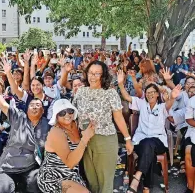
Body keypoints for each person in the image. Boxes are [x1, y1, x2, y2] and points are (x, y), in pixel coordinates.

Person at [0, 71, 48, 193]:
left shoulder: (46, 125)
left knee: (36, 187)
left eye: (38, 105)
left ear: (43, 111)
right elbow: (1, 103)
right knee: (2, 189)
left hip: (31, 168)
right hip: (8, 167)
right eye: (31, 105)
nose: (34, 106)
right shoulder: (18, 116)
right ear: (26, 109)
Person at [72, 60, 133, 193]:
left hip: (105, 139)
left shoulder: (110, 93)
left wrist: (127, 139)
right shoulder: (81, 92)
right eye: (90, 73)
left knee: (105, 182)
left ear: (103, 75)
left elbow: (118, 117)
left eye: (97, 74)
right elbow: (74, 116)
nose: (92, 76)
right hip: (85, 141)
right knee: (91, 181)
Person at [118, 70, 176, 193]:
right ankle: (146, 187)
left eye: (153, 92)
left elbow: (170, 102)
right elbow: (126, 96)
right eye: (148, 93)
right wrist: (120, 84)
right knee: (147, 149)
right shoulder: (141, 104)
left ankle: (137, 177)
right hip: (140, 141)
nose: (150, 95)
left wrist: (172, 95)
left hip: (159, 142)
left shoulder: (162, 107)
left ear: (157, 95)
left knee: (149, 144)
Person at [37, 99, 94, 193]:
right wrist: (85, 139)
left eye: (70, 111)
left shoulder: (76, 124)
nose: (67, 115)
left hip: (72, 175)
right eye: (62, 113)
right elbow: (70, 163)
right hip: (53, 177)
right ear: (56, 116)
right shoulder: (56, 132)